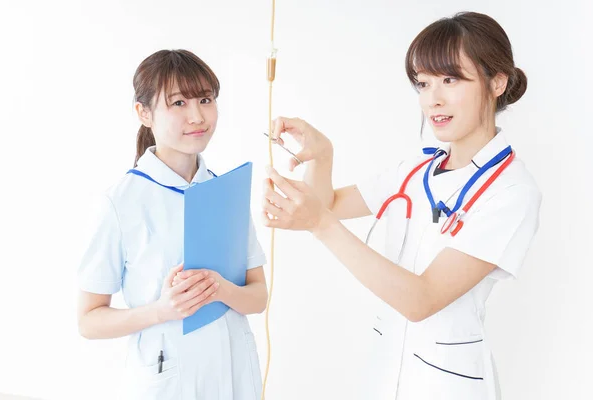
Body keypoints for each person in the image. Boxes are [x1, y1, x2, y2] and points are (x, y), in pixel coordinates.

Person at [262, 11, 541, 400]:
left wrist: (320, 224)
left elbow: (422, 299)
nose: (434, 99)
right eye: (423, 84)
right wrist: (322, 157)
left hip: (449, 384)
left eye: (451, 79)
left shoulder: (511, 192)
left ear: (497, 82)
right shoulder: (416, 171)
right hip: (386, 367)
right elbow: (329, 203)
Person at [77, 49, 267, 400]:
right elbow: (88, 321)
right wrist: (162, 311)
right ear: (143, 112)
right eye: (178, 103)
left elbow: (258, 298)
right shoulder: (119, 203)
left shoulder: (227, 191)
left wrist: (220, 288)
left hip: (235, 372)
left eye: (205, 99)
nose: (197, 115)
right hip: (167, 378)